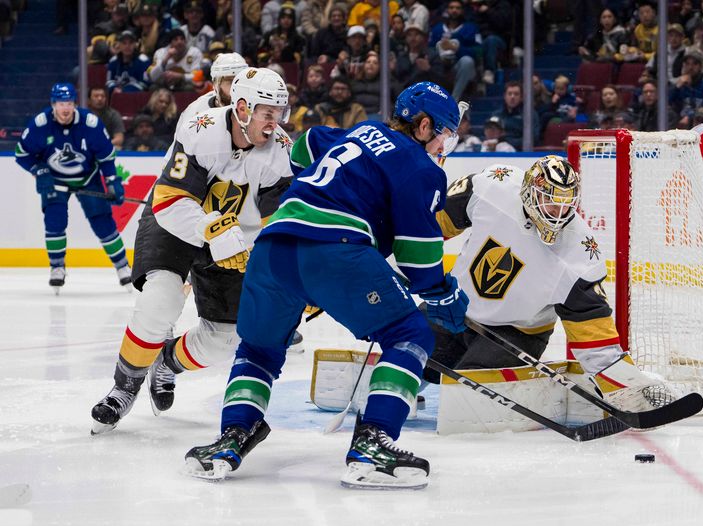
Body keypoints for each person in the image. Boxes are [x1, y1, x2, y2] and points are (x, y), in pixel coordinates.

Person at [184, 81, 469, 490]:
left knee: (259, 349)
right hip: (335, 250)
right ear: (424, 126)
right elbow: (417, 256)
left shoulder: (359, 132)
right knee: (410, 334)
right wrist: (441, 291)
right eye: (443, 134)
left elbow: (307, 143)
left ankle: (231, 438)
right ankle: (374, 442)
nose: (444, 146)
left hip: (274, 246)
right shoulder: (421, 167)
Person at [90, 68, 295, 435]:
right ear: (244, 108)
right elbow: (170, 200)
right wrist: (212, 228)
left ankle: (167, 363)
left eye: (280, 113)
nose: (275, 123)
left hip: (234, 241)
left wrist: (290, 274)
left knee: (225, 338)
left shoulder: (280, 149)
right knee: (161, 302)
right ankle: (124, 387)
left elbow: (278, 221)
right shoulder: (201, 128)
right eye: (269, 113)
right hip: (176, 224)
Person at [426, 156, 675, 414]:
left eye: (565, 206)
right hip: (453, 306)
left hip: (516, 334)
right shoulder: (492, 187)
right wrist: (402, 255)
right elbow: (432, 225)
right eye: (550, 203)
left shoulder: (579, 254)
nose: (557, 214)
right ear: (529, 193)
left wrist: (625, 388)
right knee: (406, 346)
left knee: (469, 400)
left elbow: (593, 334)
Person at [14, 82, 130, 293]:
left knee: (102, 222)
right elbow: (22, 155)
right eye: (60, 103)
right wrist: (39, 170)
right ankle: (57, 267)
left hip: (88, 177)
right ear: (53, 104)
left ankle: (123, 267)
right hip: (54, 181)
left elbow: (106, 156)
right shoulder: (40, 124)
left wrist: (113, 181)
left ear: (75, 104)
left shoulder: (91, 124)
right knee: (54, 222)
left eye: (68, 103)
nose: (65, 108)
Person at [178, 52, 248, 128]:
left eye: (241, 81)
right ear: (216, 84)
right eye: (231, 81)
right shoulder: (196, 111)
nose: (236, 87)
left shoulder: (257, 109)